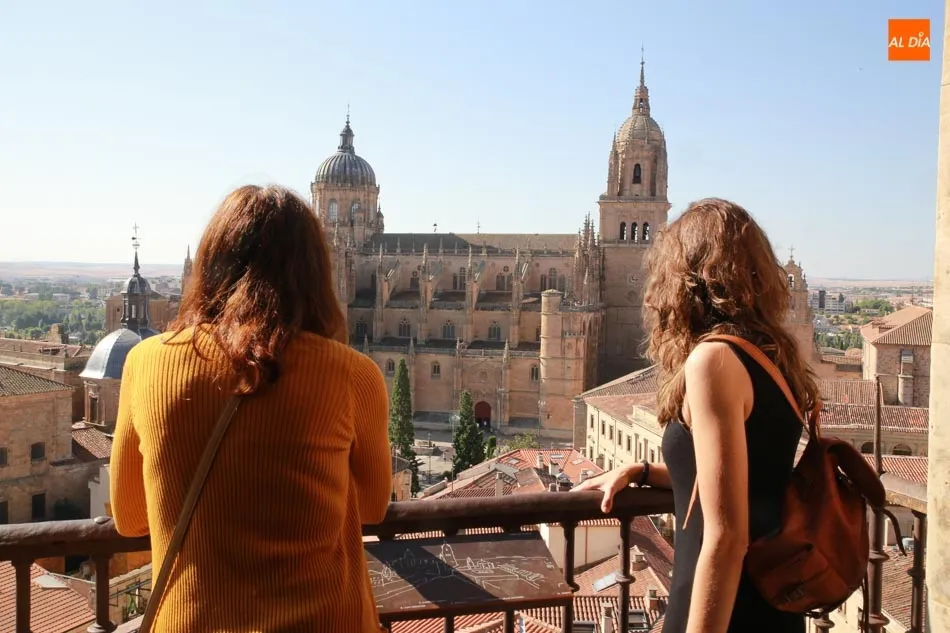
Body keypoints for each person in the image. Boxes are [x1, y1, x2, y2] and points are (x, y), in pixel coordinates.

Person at [110, 185, 392, 632]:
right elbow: (375, 506)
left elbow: (128, 516)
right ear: (317, 271)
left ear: (208, 266)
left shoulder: (144, 362)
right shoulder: (353, 374)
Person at [573, 198, 819, 633]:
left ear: (689, 277)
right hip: (770, 608)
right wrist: (645, 470)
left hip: (725, 611)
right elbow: (747, 477)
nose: (654, 291)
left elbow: (726, 538)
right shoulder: (773, 355)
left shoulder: (714, 362)